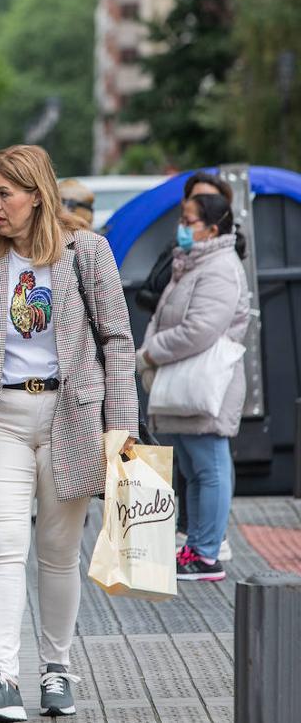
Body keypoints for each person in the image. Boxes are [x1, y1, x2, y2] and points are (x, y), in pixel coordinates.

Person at [0, 145, 138, 721]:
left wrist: (121, 427)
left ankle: (57, 671)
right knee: (2, 549)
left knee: (57, 554)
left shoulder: (87, 252)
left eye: (6, 193)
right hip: (0, 417)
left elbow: (118, 341)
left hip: (72, 418)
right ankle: (1, 675)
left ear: (37, 194)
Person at [138, 191, 249, 584]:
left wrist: (151, 352)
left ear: (213, 229)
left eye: (190, 222)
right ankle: (197, 546)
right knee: (193, 466)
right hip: (181, 380)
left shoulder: (219, 267)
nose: (182, 229)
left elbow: (200, 329)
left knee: (209, 466)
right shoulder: (194, 262)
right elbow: (165, 315)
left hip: (203, 384)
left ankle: (206, 553)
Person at [135, 172, 233, 315]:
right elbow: (145, 291)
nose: (199, 205)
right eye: (196, 199)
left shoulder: (224, 259)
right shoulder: (177, 247)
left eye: (209, 201)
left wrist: (167, 305)